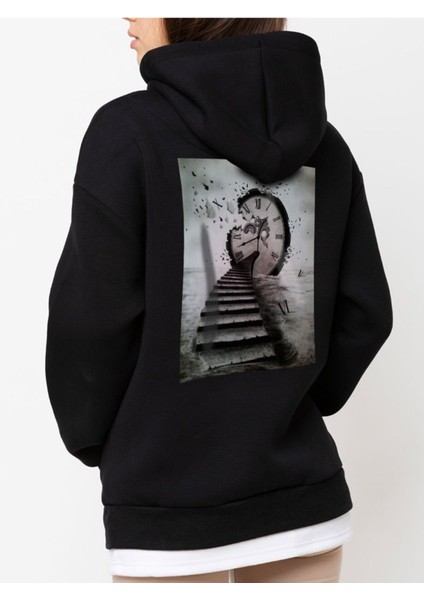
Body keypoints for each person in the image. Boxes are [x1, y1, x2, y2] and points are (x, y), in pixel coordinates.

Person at [44, 18, 393, 583]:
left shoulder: (128, 130)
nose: (131, 14)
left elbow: (90, 320)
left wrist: (98, 438)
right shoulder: (325, 143)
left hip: (165, 506)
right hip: (304, 497)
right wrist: (286, 397)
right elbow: (366, 309)